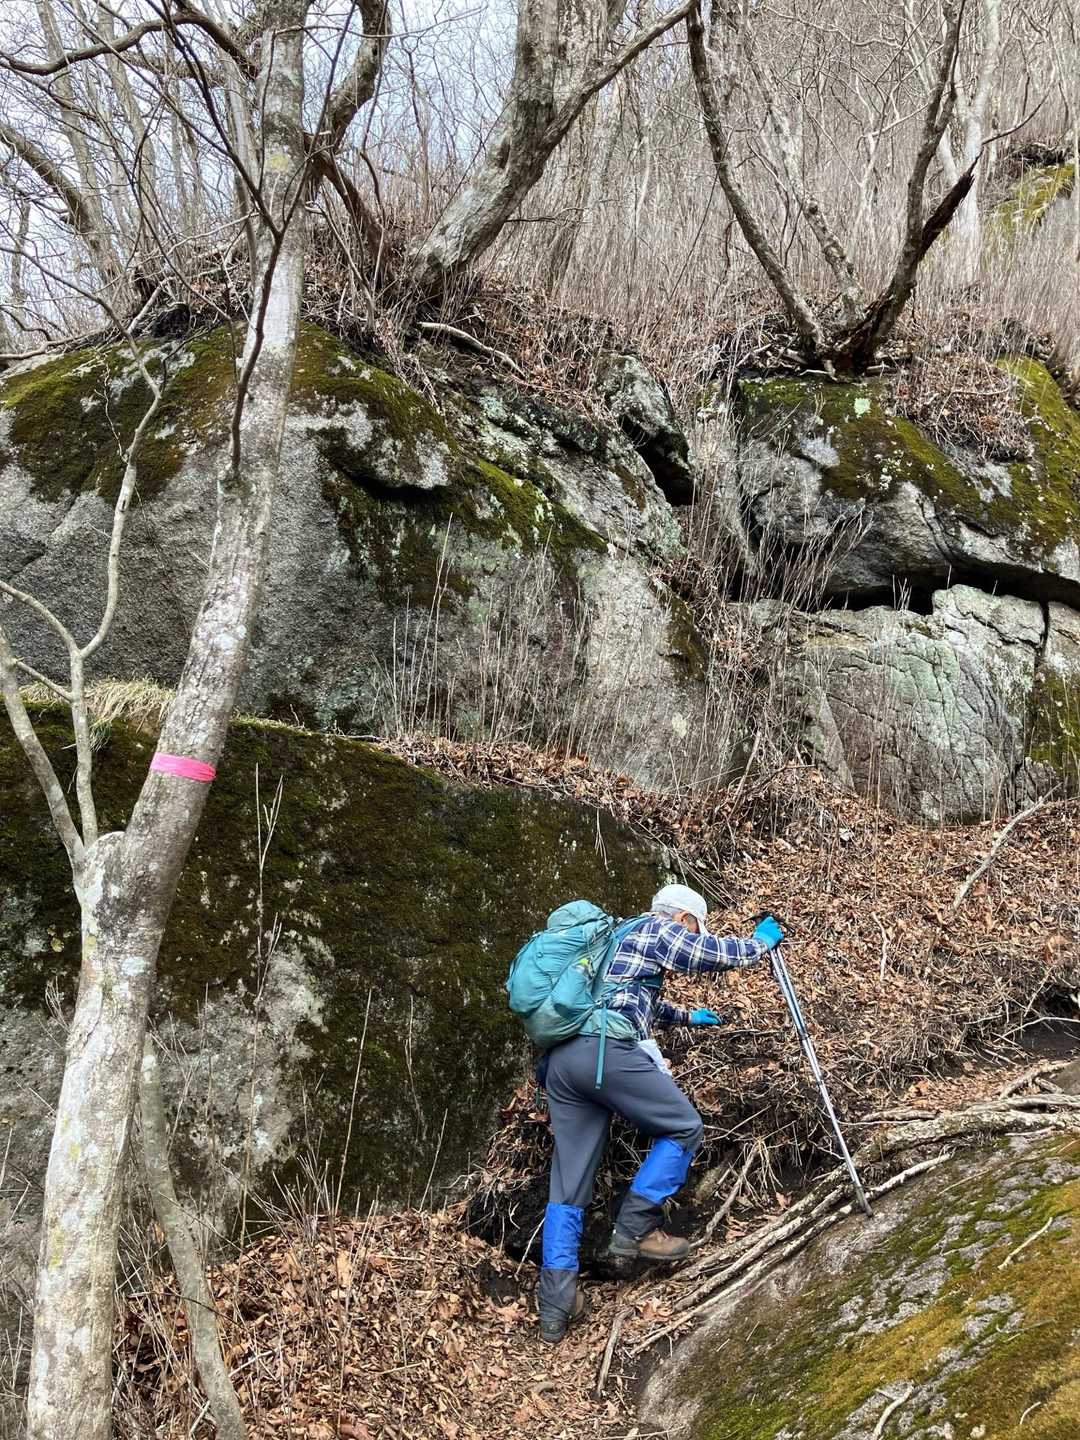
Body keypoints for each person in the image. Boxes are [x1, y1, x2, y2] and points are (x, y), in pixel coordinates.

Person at [536, 884, 783, 1343]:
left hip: (561, 1065)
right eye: (695, 926)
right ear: (684, 918)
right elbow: (705, 955)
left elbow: (631, 999)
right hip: (604, 1053)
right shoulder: (658, 928)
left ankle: (555, 1304)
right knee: (683, 1126)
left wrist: (689, 1017)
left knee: (568, 1185)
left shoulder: (615, 938)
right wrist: (758, 945)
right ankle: (636, 1228)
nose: (693, 933)